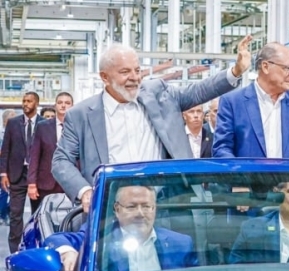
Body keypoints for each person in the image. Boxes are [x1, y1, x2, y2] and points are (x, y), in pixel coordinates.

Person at [53, 37, 252, 215]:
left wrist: (235, 71)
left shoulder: (158, 94)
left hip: (167, 205)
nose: (134, 77)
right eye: (125, 72)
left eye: (137, 70)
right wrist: (85, 191)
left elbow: (197, 92)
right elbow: (61, 161)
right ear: (105, 77)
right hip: (110, 209)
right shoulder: (81, 115)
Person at [45, 185, 196, 271]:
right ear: (117, 210)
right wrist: (68, 252)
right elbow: (56, 239)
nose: (140, 213)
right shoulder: (100, 238)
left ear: (154, 209)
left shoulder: (181, 243)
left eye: (146, 206)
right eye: (131, 207)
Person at [212, 42, 289, 161]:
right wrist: (240, 171)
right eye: (288, 68)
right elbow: (222, 149)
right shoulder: (233, 103)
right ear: (265, 66)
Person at [0, 91, 41, 253]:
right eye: (24, 101)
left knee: (38, 215)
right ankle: (15, 251)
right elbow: (6, 150)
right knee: (15, 215)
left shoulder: (44, 124)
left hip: (37, 176)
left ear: (36, 103)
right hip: (16, 175)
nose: (25, 104)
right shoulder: (13, 123)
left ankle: (35, 247)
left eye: (29, 101)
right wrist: (3, 173)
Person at [28, 92, 72, 206]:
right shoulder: (42, 126)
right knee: (43, 214)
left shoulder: (79, 126)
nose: (63, 105)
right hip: (46, 182)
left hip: (72, 182)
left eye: (67, 103)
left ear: (72, 106)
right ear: (55, 105)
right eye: (60, 102)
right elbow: (34, 156)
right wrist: (32, 183)